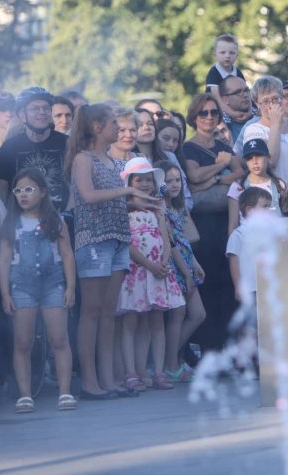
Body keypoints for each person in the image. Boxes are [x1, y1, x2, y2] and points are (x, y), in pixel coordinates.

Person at [67, 103, 157, 399]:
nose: (118, 129)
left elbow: (111, 199)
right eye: (112, 125)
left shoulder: (107, 160)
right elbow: (88, 195)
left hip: (118, 239)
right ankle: (90, 381)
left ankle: (108, 379)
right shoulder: (84, 159)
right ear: (96, 127)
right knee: (91, 312)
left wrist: (140, 202)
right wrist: (127, 191)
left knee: (109, 312)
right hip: (93, 240)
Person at [0, 169, 77, 413]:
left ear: (43, 192)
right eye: (18, 190)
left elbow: (66, 255)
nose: (23, 194)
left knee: (59, 339)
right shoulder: (11, 222)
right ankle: (25, 395)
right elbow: (4, 259)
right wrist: (5, 293)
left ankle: (64, 391)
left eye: (29, 189)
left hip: (53, 284)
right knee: (22, 341)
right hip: (22, 286)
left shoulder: (56, 221)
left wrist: (70, 287)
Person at [183, 94, 245, 349]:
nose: (209, 117)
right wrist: (221, 168)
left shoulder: (224, 145)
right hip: (203, 226)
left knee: (229, 287)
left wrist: (214, 180)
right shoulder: (188, 147)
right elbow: (193, 176)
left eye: (213, 113)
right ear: (194, 117)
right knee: (208, 286)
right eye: (203, 113)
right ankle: (210, 348)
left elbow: (242, 171)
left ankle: (230, 349)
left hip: (227, 222)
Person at [118, 158, 184, 392]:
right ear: (129, 182)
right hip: (137, 271)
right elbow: (127, 244)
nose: (145, 184)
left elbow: (166, 239)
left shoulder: (158, 208)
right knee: (132, 321)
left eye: (148, 180)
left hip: (158, 272)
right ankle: (133, 371)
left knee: (156, 321)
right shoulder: (124, 210)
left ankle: (157, 371)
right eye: (139, 180)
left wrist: (163, 262)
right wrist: (148, 264)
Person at [156, 160, 206, 383]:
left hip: (187, 262)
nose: (174, 184)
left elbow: (184, 239)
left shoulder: (178, 207)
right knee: (178, 314)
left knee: (196, 314)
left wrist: (195, 263)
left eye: (177, 180)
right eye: (169, 181)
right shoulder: (161, 208)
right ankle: (170, 364)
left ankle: (172, 359)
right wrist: (186, 271)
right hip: (176, 265)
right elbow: (172, 243)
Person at [0, 87, 70, 213]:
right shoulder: (9, 147)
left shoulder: (67, 143)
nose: (42, 112)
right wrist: (5, 220)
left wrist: (67, 215)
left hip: (61, 218)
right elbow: (1, 190)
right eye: (35, 108)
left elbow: (75, 185)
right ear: (22, 115)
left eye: (46, 108)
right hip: (21, 222)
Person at [239, 76, 288, 184]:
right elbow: (270, 163)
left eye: (275, 99)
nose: (272, 105)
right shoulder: (254, 130)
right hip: (276, 194)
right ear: (257, 104)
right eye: (266, 101)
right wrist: (275, 124)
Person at [228, 137, 286, 233]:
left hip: (276, 239)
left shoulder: (279, 184)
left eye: (259, 156)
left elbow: (286, 217)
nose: (254, 162)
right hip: (249, 240)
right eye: (249, 158)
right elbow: (233, 225)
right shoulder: (238, 187)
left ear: (268, 157)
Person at [226, 187, 272, 304]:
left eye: (269, 206)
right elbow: (234, 262)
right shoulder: (238, 234)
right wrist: (238, 286)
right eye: (265, 207)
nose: (269, 210)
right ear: (250, 210)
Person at [205, 33, 245, 101]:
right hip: (215, 108)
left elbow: (245, 94)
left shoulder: (238, 73)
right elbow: (217, 99)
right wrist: (233, 112)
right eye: (223, 52)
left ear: (237, 55)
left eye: (232, 53)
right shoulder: (214, 73)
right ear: (215, 54)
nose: (227, 56)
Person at [218, 76, 254, 144]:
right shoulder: (219, 124)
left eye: (246, 90)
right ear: (225, 100)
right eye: (238, 92)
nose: (245, 95)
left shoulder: (262, 115)